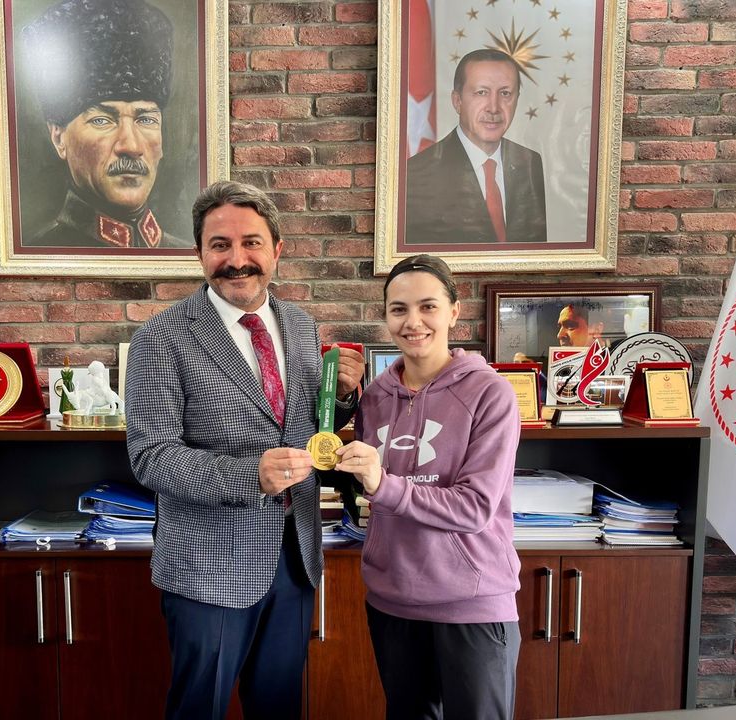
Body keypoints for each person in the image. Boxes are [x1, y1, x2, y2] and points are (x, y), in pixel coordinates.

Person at [125, 181, 364, 720]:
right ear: (199, 253)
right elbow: (151, 456)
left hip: (294, 558)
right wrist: (249, 476)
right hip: (207, 567)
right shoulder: (160, 338)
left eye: (251, 242)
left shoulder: (300, 326)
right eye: (220, 245)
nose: (237, 260)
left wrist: (344, 399)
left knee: (279, 708)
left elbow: (304, 427)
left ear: (277, 249)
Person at [334, 253, 522, 720]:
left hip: (471, 603)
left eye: (428, 307)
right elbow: (363, 485)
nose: (413, 322)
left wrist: (384, 483)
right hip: (392, 600)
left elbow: (474, 507)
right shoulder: (375, 397)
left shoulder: (490, 393)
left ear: (454, 312)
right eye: (398, 309)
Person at [20, 0, 187, 248]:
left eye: (146, 120)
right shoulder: (39, 254)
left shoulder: (188, 255)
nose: (131, 146)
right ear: (59, 138)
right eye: (102, 120)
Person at [405, 48, 547, 245]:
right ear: (457, 101)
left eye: (505, 93)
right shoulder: (416, 173)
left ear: (516, 100)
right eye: (481, 93)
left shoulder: (530, 163)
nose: (494, 108)